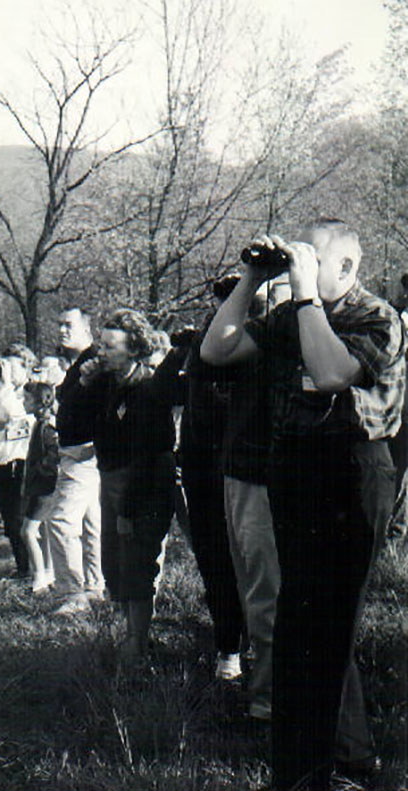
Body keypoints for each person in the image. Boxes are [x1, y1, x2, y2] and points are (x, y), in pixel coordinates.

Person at [201, 219, 404, 791]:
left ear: (346, 266)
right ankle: (309, 770)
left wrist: (307, 295)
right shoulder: (293, 313)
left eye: (315, 258)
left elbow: (333, 372)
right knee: (296, 624)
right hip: (294, 469)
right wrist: (251, 279)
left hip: (351, 472)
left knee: (330, 624)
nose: (302, 267)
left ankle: (335, 767)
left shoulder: (377, 317)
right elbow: (217, 350)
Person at [87, 309, 176, 660]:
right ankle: (130, 636)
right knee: (114, 563)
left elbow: (149, 455)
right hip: (111, 480)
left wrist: (128, 509)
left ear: (134, 348)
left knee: (137, 562)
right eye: (102, 344)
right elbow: (72, 421)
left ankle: (137, 644)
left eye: (111, 346)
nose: (102, 352)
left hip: (143, 486)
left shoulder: (147, 389)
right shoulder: (107, 384)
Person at [221, 274, 290, 721]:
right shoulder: (255, 335)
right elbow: (213, 350)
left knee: (269, 593)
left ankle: (269, 700)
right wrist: (247, 284)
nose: (269, 300)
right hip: (238, 472)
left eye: (278, 287)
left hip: (271, 477)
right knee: (250, 587)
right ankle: (262, 684)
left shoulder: (305, 337)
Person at [177, 275, 247, 681]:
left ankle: (248, 643)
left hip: (248, 466)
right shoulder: (202, 344)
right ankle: (228, 647)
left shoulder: (260, 338)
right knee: (214, 559)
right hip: (204, 469)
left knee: (250, 561)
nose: (224, 307)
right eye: (222, 299)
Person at [46, 307, 106, 615]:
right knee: (90, 522)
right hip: (79, 453)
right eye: (59, 324)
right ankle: (94, 588)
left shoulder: (94, 362)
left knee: (59, 521)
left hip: (84, 455)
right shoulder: (81, 363)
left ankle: (72, 594)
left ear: (87, 328)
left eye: (68, 324)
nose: (62, 330)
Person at [0, 343, 38, 578]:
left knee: (20, 517)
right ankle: (22, 566)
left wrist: (6, 384)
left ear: (26, 367)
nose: (8, 371)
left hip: (21, 459)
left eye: (12, 366)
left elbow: (18, 417)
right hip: (1, 458)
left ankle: (32, 568)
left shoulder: (31, 392)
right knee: (8, 517)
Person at [20, 381, 59, 594]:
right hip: (39, 486)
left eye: (26, 399)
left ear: (38, 403)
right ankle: (49, 572)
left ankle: (38, 578)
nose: (23, 403)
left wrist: (40, 471)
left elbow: (55, 454)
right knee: (42, 530)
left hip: (44, 487)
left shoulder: (47, 426)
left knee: (27, 531)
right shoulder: (39, 423)